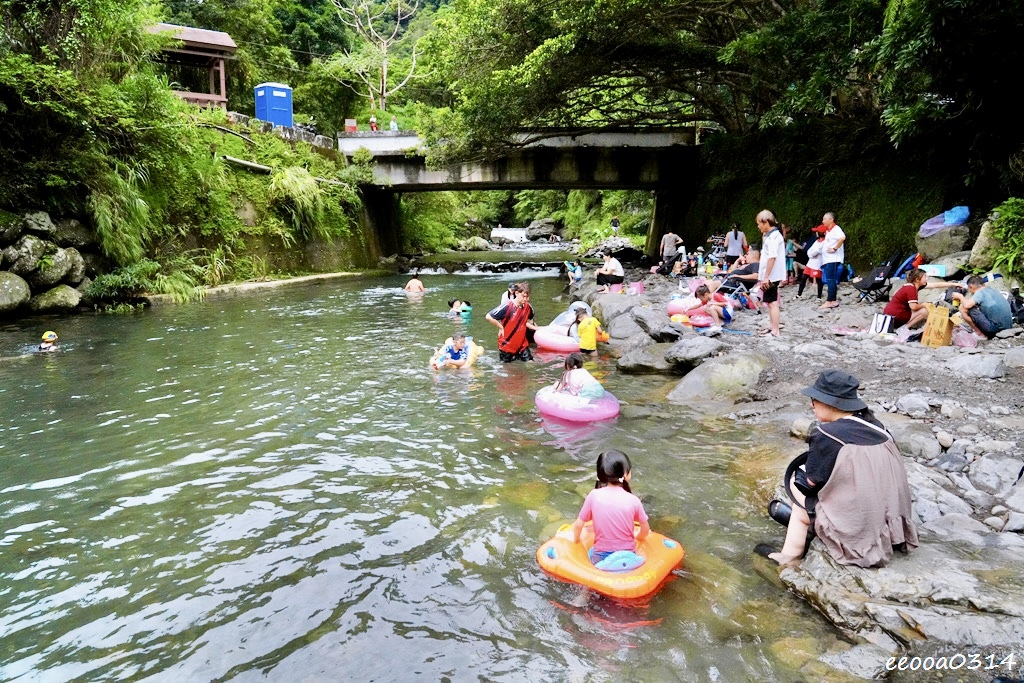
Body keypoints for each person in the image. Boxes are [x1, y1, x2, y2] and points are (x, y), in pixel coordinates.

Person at [759, 370, 918, 567]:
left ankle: (788, 558)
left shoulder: (827, 433)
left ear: (829, 402)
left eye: (814, 400)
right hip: (891, 521)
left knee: (796, 489)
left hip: (858, 528)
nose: (811, 405)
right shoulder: (878, 427)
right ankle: (812, 530)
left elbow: (810, 484)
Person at [571, 450, 651, 566]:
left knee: (590, 553)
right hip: (628, 556)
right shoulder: (634, 500)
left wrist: (576, 542)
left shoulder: (593, 495)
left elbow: (578, 525)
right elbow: (645, 530)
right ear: (625, 475)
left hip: (601, 558)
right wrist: (637, 538)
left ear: (600, 475)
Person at [882, 268, 960, 331]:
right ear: (917, 279)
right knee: (925, 310)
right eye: (925, 277)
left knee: (924, 307)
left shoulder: (912, 285)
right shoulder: (911, 289)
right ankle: (904, 328)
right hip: (895, 316)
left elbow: (935, 285)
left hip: (889, 315)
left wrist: (954, 284)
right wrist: (924, 305)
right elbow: (913, 307)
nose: (927, 278)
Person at [486, 282, 538, 362]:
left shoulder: (528, 307)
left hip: (522, 345)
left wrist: (537, 328)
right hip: (507, 346)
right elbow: (489, 316)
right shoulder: (507, 306)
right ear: (516, 293)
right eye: (523, 296)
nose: (526, 299)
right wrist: (500, 327)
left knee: (531, 364)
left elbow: (529, 320)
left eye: (527, 297)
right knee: (508, 370)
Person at [952, 275, 1014, 339]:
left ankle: (980, 334)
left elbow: (967, 305)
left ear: (971, 287)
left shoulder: (980, 293)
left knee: (963, 308)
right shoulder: (992, 290)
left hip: (995, 329)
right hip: (1008, 327)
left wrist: (960, 297)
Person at [756, 209, 786, 337]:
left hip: (772, 275)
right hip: (769, 275)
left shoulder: (774, 236)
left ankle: (775, 331)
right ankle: (772, 326)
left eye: (759, 223)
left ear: (766, 222)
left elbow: (772, 257)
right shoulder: (770, 235)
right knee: (769, 301)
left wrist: (766, 277)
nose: (758, 226)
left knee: (773, 302)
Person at [819, 212, 846, 310]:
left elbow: (842, 238)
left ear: (831, 219)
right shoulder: (829, 231)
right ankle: (833, 300)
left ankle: (829, 301)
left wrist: (835, 248)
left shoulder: (836, 229)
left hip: (833, 259)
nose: (823, 221)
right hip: (828, 259)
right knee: (831, 279)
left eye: (825, 219)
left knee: (830, 279)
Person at [797, 226, 827, 299]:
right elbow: (810, 251)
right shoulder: (817, 241)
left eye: (817, 232)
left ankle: (819, 297)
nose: (816, 233)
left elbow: (815, 252)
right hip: (810, 263)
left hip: (817, 264)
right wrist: (811, 254)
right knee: (803, 277)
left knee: (818, 280)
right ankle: (799, 294)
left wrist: (812, 253)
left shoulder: (825, 243)